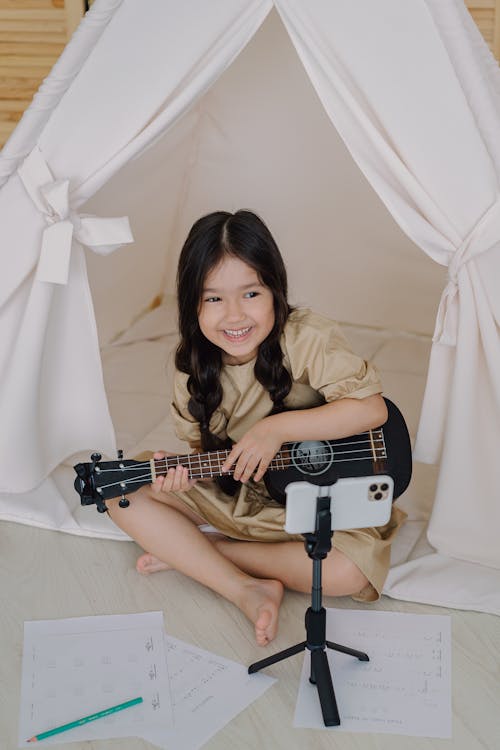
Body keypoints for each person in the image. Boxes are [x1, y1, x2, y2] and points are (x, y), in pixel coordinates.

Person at [106, 210, 405, 646]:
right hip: (245, 492)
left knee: (347, 571)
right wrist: (186, 472)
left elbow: (372, 410)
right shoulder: (191, 369)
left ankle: (200, 554)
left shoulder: (307, 337)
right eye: (213, 299)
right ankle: (244, 588)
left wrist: (277, 429)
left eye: (250, 293)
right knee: (123, 495)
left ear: (274, 291)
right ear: (192, 303)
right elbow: (210, 462)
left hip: (317, 494)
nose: (234, 316)